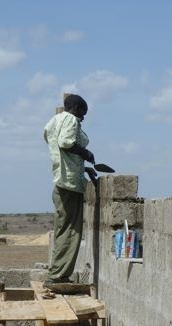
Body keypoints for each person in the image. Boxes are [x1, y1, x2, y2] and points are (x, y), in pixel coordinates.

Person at [43, 94, 95, 288]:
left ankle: (57, 272)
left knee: (62, 229)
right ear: (77, 109)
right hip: (69, 185)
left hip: (60, 181)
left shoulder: (54, 120)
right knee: (71, 230)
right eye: (83, 113)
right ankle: (59, 276)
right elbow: (66, 142)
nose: (83, 117)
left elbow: (52, 140)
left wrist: (82, 167)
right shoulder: (71, 119)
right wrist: (85, 153)